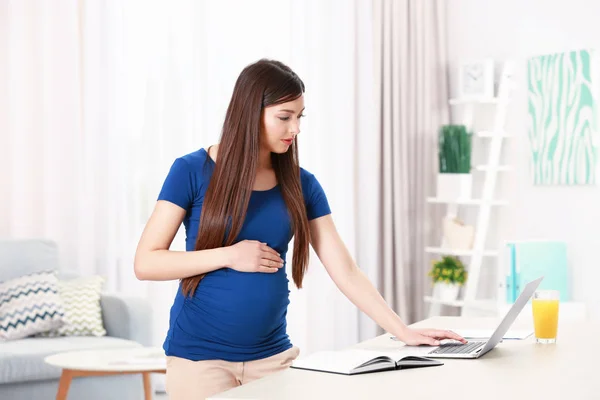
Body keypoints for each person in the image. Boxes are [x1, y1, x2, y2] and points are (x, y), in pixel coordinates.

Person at [134, 59, 466, 400]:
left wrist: (402, 331)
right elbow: (146, 263)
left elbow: (346, 271)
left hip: (273, 359)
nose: (295, 128)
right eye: (284, 117)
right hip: (199, 361)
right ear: (250, 112)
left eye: (299, 116)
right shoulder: (191, 170)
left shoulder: (302, 185)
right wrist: (229, 255)